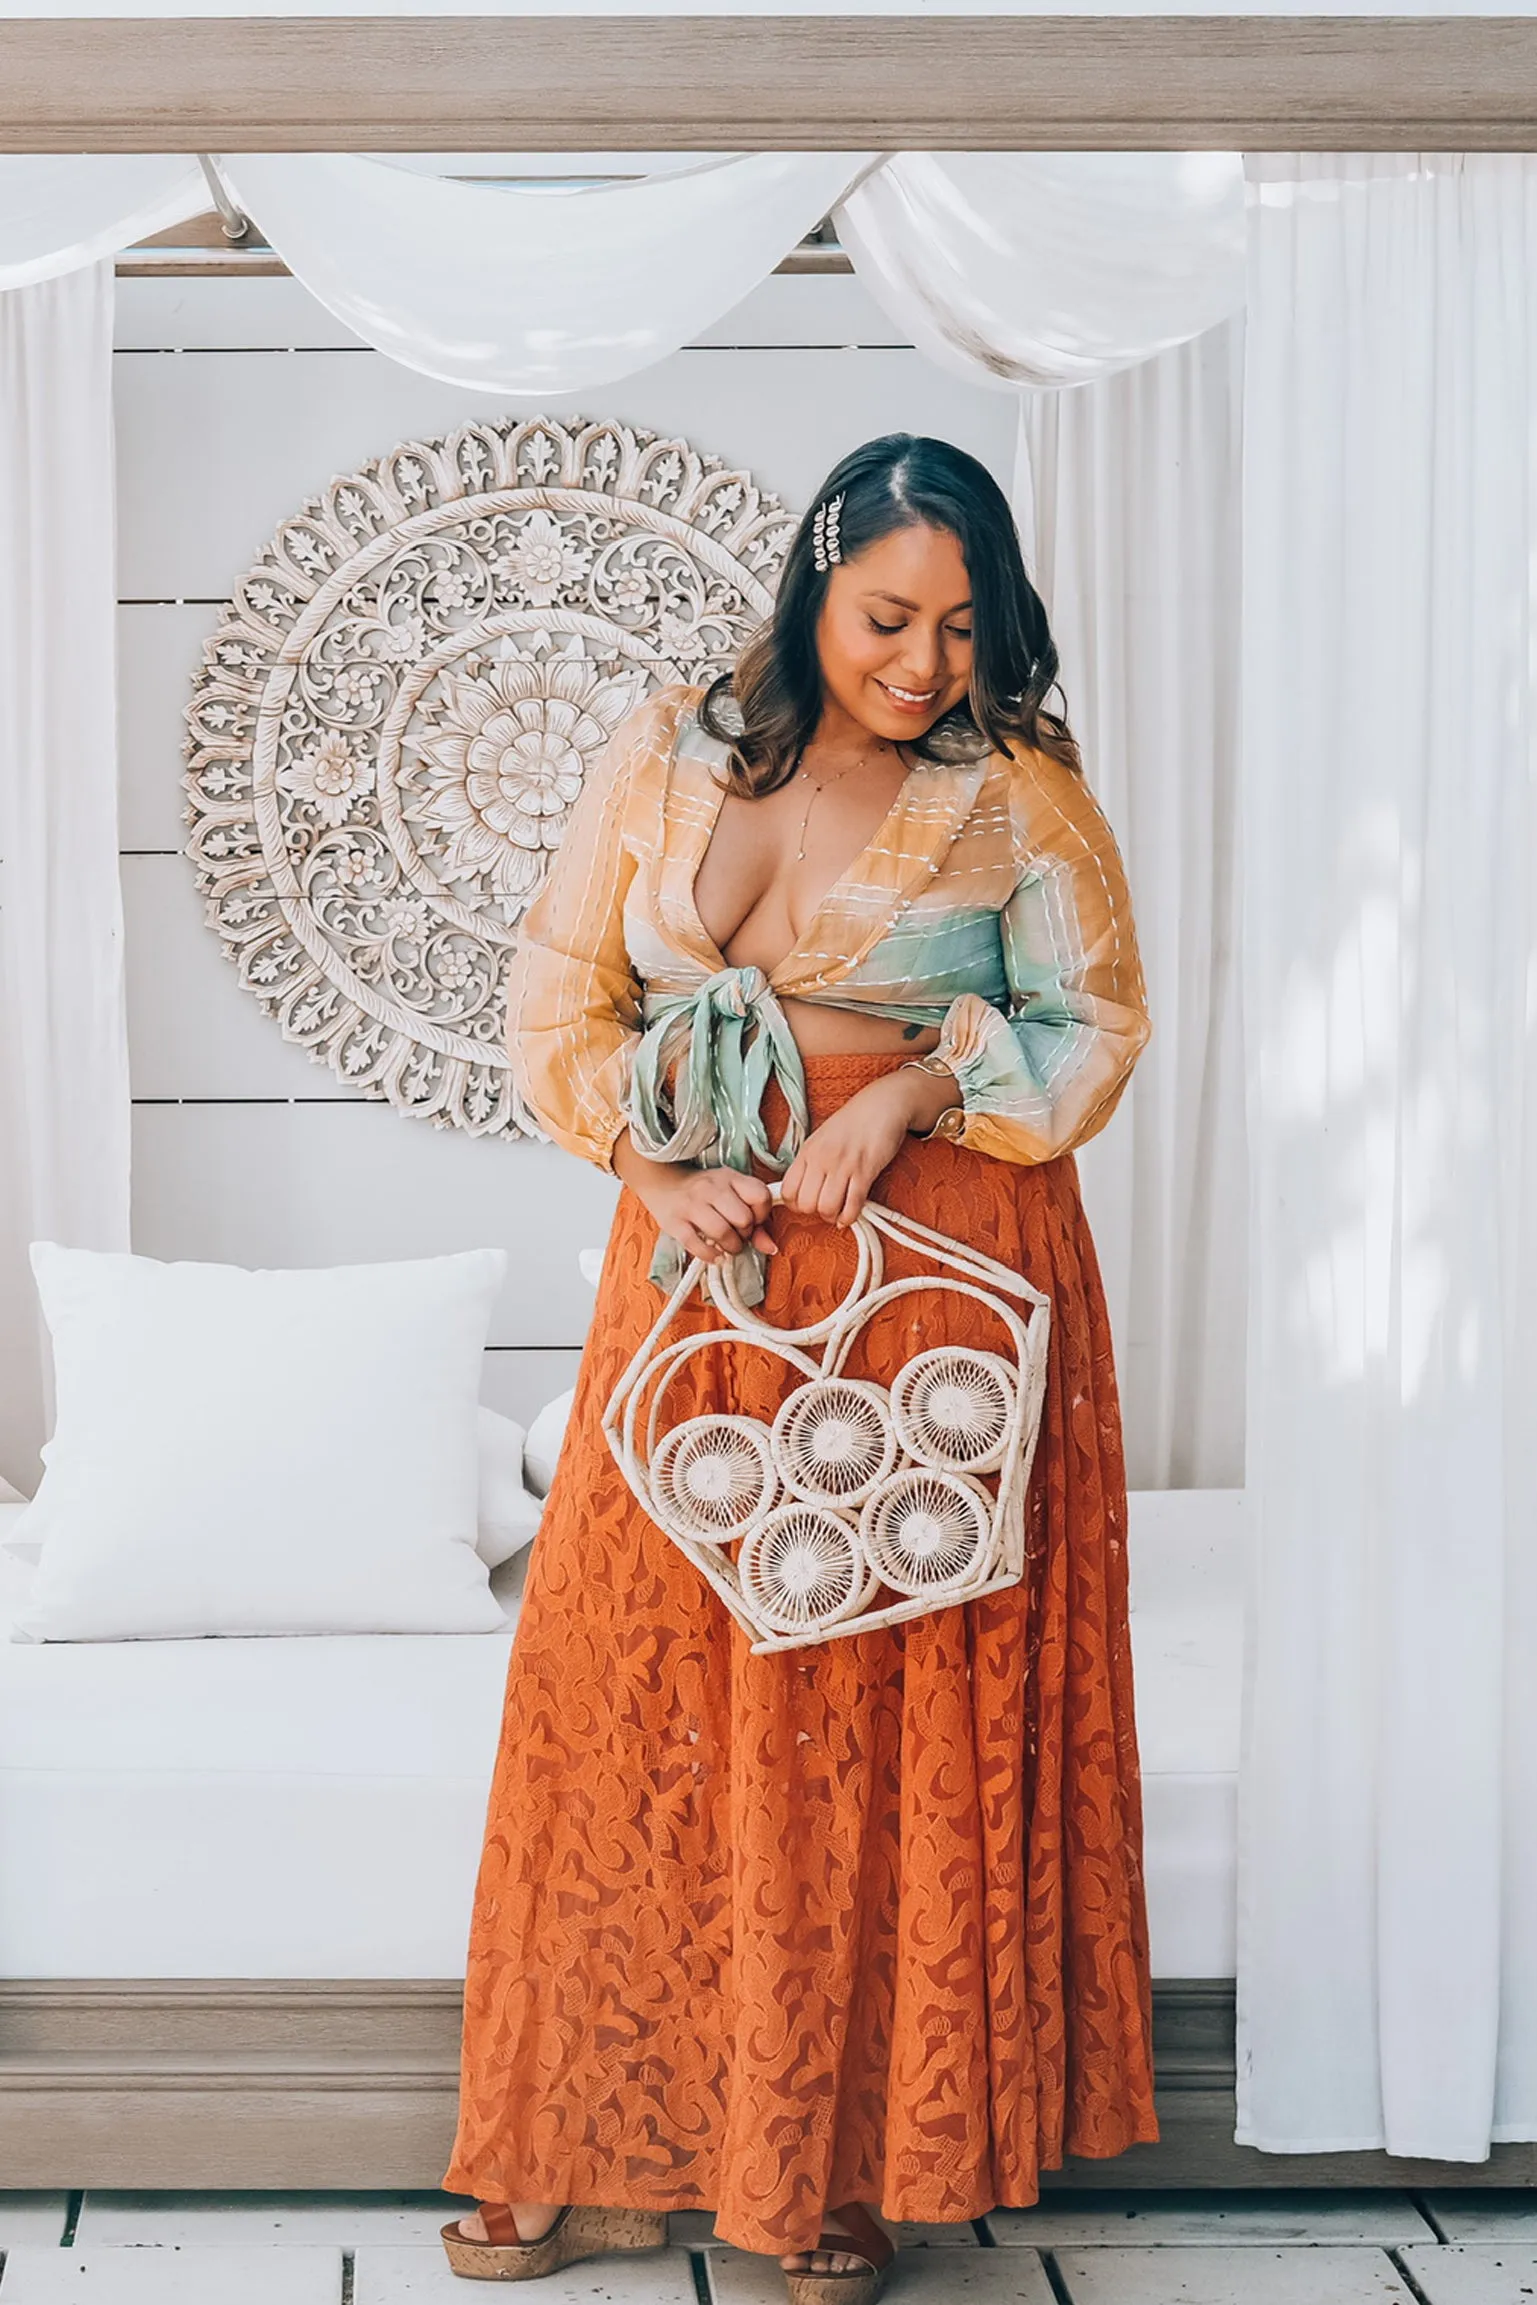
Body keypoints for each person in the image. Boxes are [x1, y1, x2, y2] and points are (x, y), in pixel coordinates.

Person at [439, 432, 1158, 2301]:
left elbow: (1097, 1024)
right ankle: (587, 2143)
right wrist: (652, 1165)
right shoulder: (669, 744)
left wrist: (915, 1090)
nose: (921, 662)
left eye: (960, 625)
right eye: (887, 617)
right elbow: (556, 989)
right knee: (632, 1682)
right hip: (698, 1245)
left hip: (926, 1260)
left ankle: (834, 2169)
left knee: (866, 1698)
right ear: (814, 584)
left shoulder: (1016, 785)